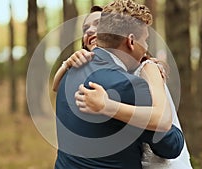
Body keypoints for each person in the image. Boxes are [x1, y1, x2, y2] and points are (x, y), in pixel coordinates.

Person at [54, 0, 184, 169]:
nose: (145, 47)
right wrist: (154, 78)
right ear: (131, 41)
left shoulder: (70, 71)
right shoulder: (128, 86)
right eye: (145, 40)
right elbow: (171, 145)